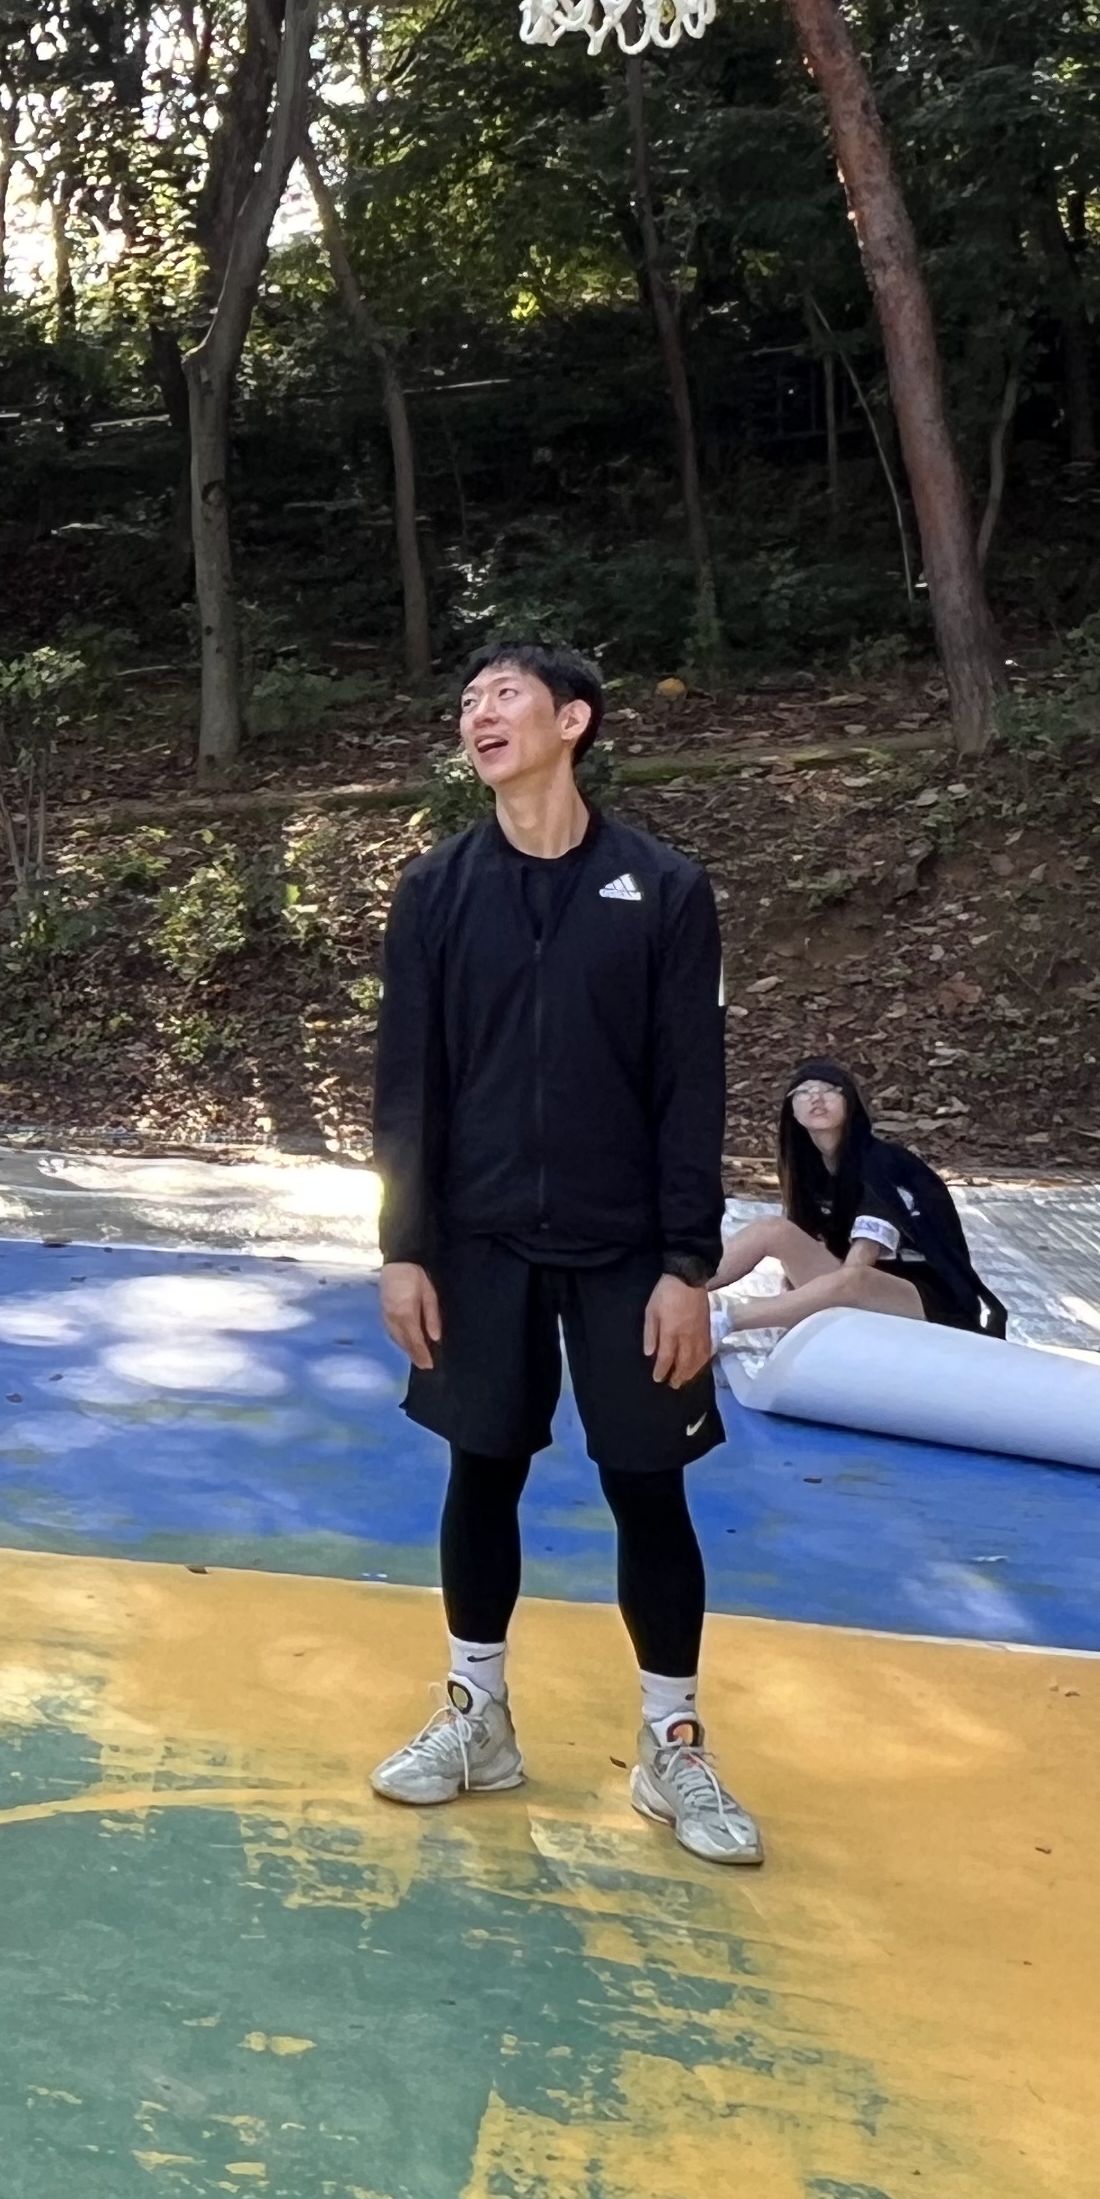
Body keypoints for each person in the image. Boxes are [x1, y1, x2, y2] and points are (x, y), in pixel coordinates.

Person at [367, 642, 761, 1867]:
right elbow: (408, 1082)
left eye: (505, 695)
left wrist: (686, 1265)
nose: (478, 714)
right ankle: (476, 1718)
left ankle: (672, 1744)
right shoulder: (436, 890)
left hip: (627, 1248)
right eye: (468, 700)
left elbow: (692, 1086)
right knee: (480, 1470)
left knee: (649, 1485)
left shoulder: (666, 888)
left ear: (573, 720)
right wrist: (402, 1247)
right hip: (477, 1240)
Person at [712, 1058, 1007, 1338]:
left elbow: (860, 1263)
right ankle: (689, 1287)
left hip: (924, 1298)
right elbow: (809, 1244)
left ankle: (721, 1321)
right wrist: (795, 1300)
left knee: (855, 1277)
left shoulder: (883, 1163)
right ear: (792, 1110)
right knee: (772, 1229)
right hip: (850, 1292)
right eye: (803, 1092)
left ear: (850, 1103)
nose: (816, 1098)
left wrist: (795, 1306)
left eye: (829, 1090)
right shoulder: (807, 1168)